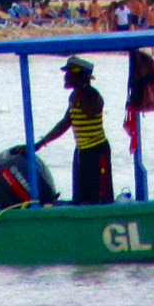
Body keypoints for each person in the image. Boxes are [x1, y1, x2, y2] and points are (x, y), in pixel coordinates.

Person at [36, 57, 113, 205]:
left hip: (97, 151)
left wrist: (80, 93)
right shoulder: (74, 96)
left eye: (68, 74)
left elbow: (93, 109)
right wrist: (41, 143)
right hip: (81, 151)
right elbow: (65, 123)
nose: (65, 77)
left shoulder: (93, 95)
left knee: (98, 198)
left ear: (78, 75)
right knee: (80, 198)